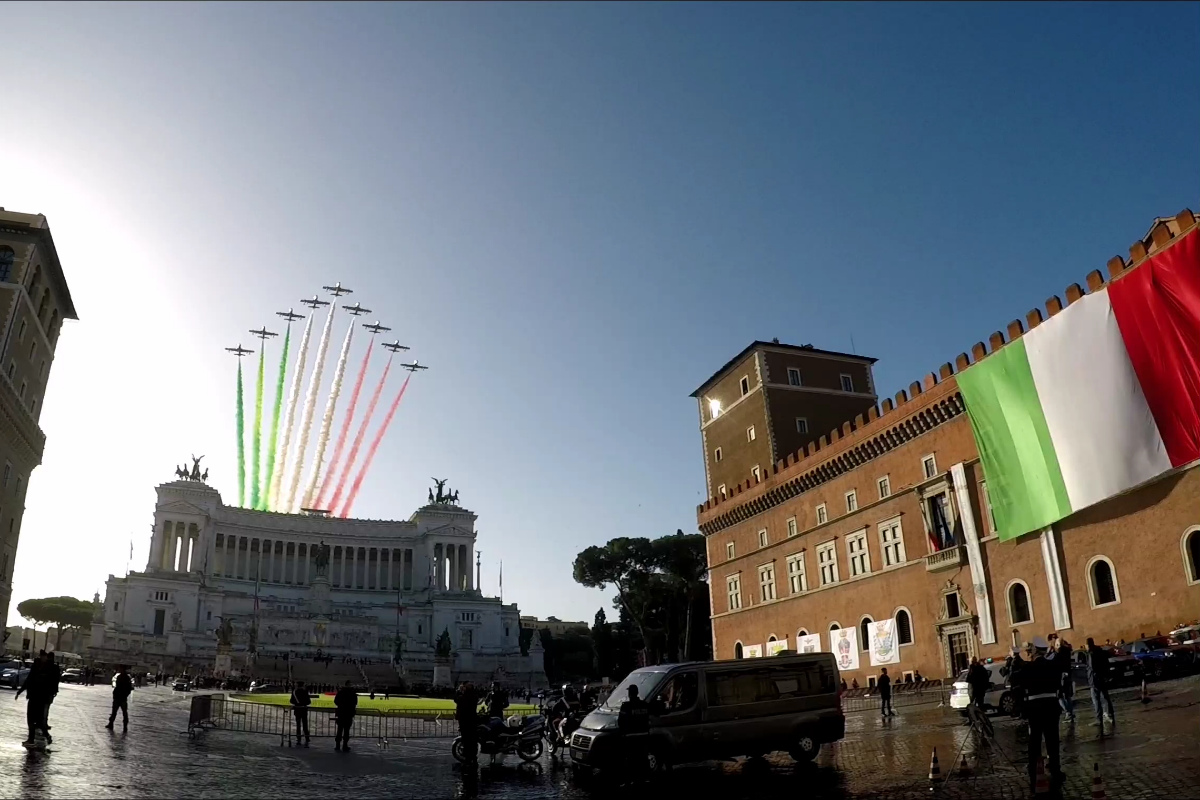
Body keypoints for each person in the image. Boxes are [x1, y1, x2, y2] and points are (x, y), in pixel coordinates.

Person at [1011, 638, 1066, 792]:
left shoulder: (1028, 668)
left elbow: (1016, 681)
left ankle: (1033, 769)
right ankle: (1055, 770)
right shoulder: (1052, 666)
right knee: (1052, 741)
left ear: (1034, 651)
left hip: (1034, 709)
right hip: (1051, 707)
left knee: (1034, 741)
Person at [15, 652, 53, 746]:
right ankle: (37, 738)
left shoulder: (46, 668)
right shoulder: (41, 667)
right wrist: (19, 692)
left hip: (39, 698)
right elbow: (28, 680)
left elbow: (51, 684)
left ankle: (35, 738)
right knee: (34, 720)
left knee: (35, 720)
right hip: (35, 697)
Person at [617, 684, 651, 771]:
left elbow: (620, 722)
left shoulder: (626, 706)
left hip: (630, 737)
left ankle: (632, 780)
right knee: (643, 758)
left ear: (629, 694)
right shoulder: (644, 705)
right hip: (644, 736)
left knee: (631, 760)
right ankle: (645, 778)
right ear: (637, 693)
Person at [1086, 638, 1115, 735]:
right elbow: (1106, 663)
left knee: (1096, 700)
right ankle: (1110, 715)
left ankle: (1099, 719)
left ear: (1088, 645)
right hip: (1102, 678)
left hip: (1094, 680)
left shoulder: (1091, 654)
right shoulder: (1101, 651)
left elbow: (1091, 667)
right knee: (1105, 697)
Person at [1050, 637, 1075, 724]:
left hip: (1061, 676)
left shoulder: (1058, 653)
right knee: (1068, 696)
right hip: (1068, 675)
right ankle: (1071, 713)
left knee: (1059, 696)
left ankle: (1068, 713)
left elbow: (1053, 662)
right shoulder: (1067, 651)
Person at [455, 682, 480, 763]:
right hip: (472, 720)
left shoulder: (464, 697)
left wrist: (459, 691)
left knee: (466, 739)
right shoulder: (474, 696)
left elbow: (456, 699)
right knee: (473, 739)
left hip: (465, 720)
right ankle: (473, 755)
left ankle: (468, 756)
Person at [106, 664, 135, 731]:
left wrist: (117, 694)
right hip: (121, 697)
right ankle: (123, 726)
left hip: (120, 697)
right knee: (122, 712)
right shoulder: (126, 677)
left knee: (117, 712)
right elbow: (129, 689)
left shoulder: (122, 677)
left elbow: (120, 687)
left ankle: (113, 724)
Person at [334, 680, 357, 752]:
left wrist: (341, 706)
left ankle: (337, 745)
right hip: (349, 714)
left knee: (339, 730)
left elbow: (336, 701)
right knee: (346, 730)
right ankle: (345, 745)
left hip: (341, 713)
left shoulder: (340, 692)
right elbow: (355, 703)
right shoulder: (353, 693)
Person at [290, 681, 311, 746]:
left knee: (298, 725)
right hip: (304, 709)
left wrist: (297, 703)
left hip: (297, 709)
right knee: (305, 724)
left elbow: (291, 701)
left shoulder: (294, 692)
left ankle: (298, 738)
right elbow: (308, 702)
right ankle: (307, 738)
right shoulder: (305, 691)